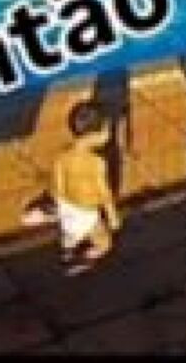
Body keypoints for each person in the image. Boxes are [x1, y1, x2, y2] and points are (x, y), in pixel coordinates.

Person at [50, 101, 121, 275]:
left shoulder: (61, 157)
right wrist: (113, 218)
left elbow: (57, 186)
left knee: (69, 236)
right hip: (87, 214)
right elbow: (104, 193)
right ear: (94, 135)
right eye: (106, 130)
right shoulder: (96, 162)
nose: (108, 134)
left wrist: (60, 207)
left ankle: (67, 252)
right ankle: (84, 260)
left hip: (67, 210)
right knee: (104, 243)